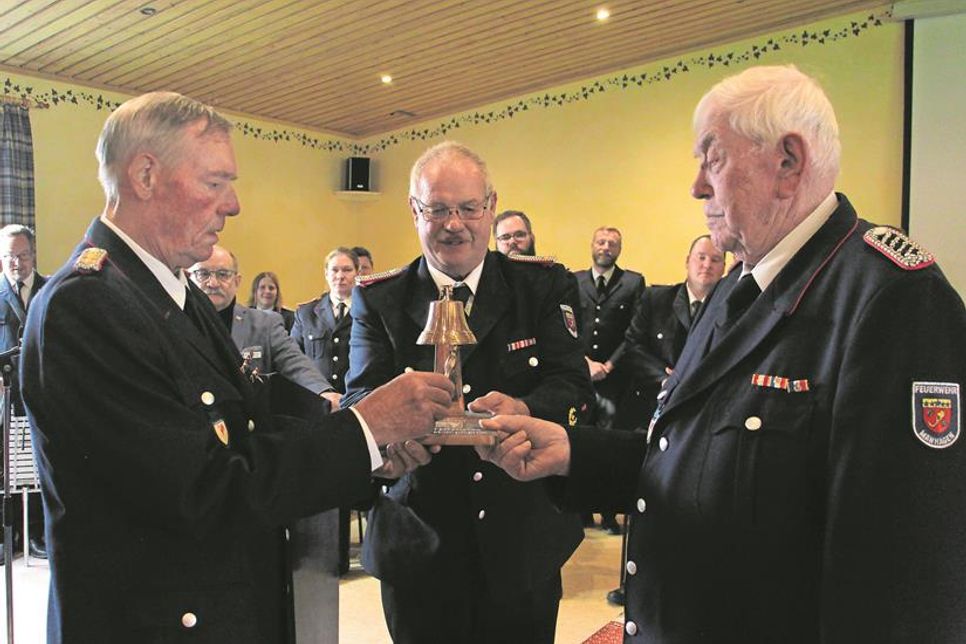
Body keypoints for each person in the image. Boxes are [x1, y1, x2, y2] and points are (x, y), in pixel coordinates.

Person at [478, 65, 966, 642]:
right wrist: (571, 452)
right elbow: (687, 453)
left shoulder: (891, 297)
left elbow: (904, 576)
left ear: (788, 163)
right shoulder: (739, 286)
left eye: (712, 159)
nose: (696, 187)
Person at [19, 91, 455, 644]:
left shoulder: (172, 292)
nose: (233, 205)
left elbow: (250, 429)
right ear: (145, 175)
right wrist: (366, 428)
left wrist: (372, 451)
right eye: (215, 183)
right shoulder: (85, 306)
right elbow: (202, 489)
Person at [342, 141, 592, 644]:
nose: (454, 223)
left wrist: (522, 409)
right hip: (419, 537)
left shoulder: (541, 286)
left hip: (520, 533)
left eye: (468, 208)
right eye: (437, 209)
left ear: (491, 207)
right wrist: (391, 443)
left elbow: (571, 383)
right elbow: (359, 399)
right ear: (414, 211)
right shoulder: (378, 299)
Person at [189, 245, 341, 409]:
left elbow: (295, 364)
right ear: (189, 278)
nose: (212, 283)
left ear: (237, 281)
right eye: (203, 274)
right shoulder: (174, 321)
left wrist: (323, 393)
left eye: (223, 274)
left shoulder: (265, 324)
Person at [573, 226, 644, 534]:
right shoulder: (573, 281)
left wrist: (610, 365)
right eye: (601, 242)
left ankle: (610, 512)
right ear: (592, 245)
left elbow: (635, 331)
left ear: (620, 249)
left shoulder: (633, 282)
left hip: (616, 378)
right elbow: (567, 328)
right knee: (580, 441)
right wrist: (586, 363)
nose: (606, 247)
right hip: (580, 375)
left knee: (609, 444)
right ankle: (582, 510)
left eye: (612, 244)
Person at [616, 234, 724, 429]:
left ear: (724, 268)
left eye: (715, 259)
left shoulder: (728, 309)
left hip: (700, 415)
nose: (707, 265)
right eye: (701, 257)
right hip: (646, 409)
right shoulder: (656, 299)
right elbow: (632, 348)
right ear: (687, 261)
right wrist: (666, 379)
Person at [0, 224, 47, 563]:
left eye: (22, 255)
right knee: (5, 469)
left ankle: (37, 535)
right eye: (8, 256)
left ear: (33, 254)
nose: (16, 263)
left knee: (39, 464)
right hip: (3, 394)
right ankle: (9, 536)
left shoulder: (52, 290)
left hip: (43, 392)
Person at [291, 247, 357, 394]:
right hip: (317, 398)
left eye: (347, 270)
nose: (340, 276)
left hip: (355, 399)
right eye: (335, 270)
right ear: (326, 274)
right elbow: (293, 360)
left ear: (357, 273)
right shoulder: (306, 313)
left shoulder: (367, 312)